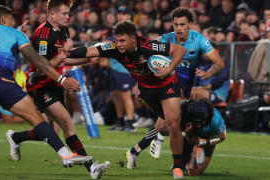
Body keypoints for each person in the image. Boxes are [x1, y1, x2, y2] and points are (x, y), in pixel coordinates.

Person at [61, 20, 186, 179]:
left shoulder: (149, 46)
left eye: (122, 40)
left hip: (167, 83)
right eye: (117, 40)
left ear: (134, 38)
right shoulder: (113, 48)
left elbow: (180, 50)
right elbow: (89, 51)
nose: (118, 44)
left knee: (173, 122)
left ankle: (178, 167)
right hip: (147, 89)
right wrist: (68, 53)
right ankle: (135, 151)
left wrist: (169, 69)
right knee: (165, 126)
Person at [6, 1, 110, 179]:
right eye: (64, 13)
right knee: (67, 123)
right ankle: (91, 167)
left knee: (51, 132)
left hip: (54, 84)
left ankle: (16, 137)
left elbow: (64, 60)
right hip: (40, 85)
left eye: (68, 13)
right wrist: (63, 57)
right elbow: (41, 69)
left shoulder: (63, 31)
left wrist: (89, 59)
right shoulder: (43, 34)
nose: (68, 16)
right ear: (52, 15)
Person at [0, 5, 92, 168]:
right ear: (4, 19)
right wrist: (62, 79)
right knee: (38, 120)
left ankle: (18, 139)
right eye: (12, 19)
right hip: (2, 81)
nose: (14, 22)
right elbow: (40, 63)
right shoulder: (16, 33)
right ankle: (66, 155)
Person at [125, 7, 225, 167]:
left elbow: (219, 63)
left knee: (170, 124)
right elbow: (144, 60)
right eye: (176, 24)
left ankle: (136, 150)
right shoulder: (165, 39)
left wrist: (209, 73)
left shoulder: (199, 40)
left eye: (182, 24)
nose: (178, 28)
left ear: (189, 24)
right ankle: (183, 157)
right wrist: (140, 83)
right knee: (172, 123)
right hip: (165, 86)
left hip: (184, 89)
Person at [174, 99, 226, 176]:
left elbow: (222, 137)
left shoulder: (216, 120)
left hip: (207, 137)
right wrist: (185, 133)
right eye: (196, 122)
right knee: (184, 164)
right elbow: (170, 130)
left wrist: (203, 142)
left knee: (194, 174)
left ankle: (197, 150)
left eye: (200, 121)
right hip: (189, 132)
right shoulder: (183, 111)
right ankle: (185, 160)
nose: (198, 125)